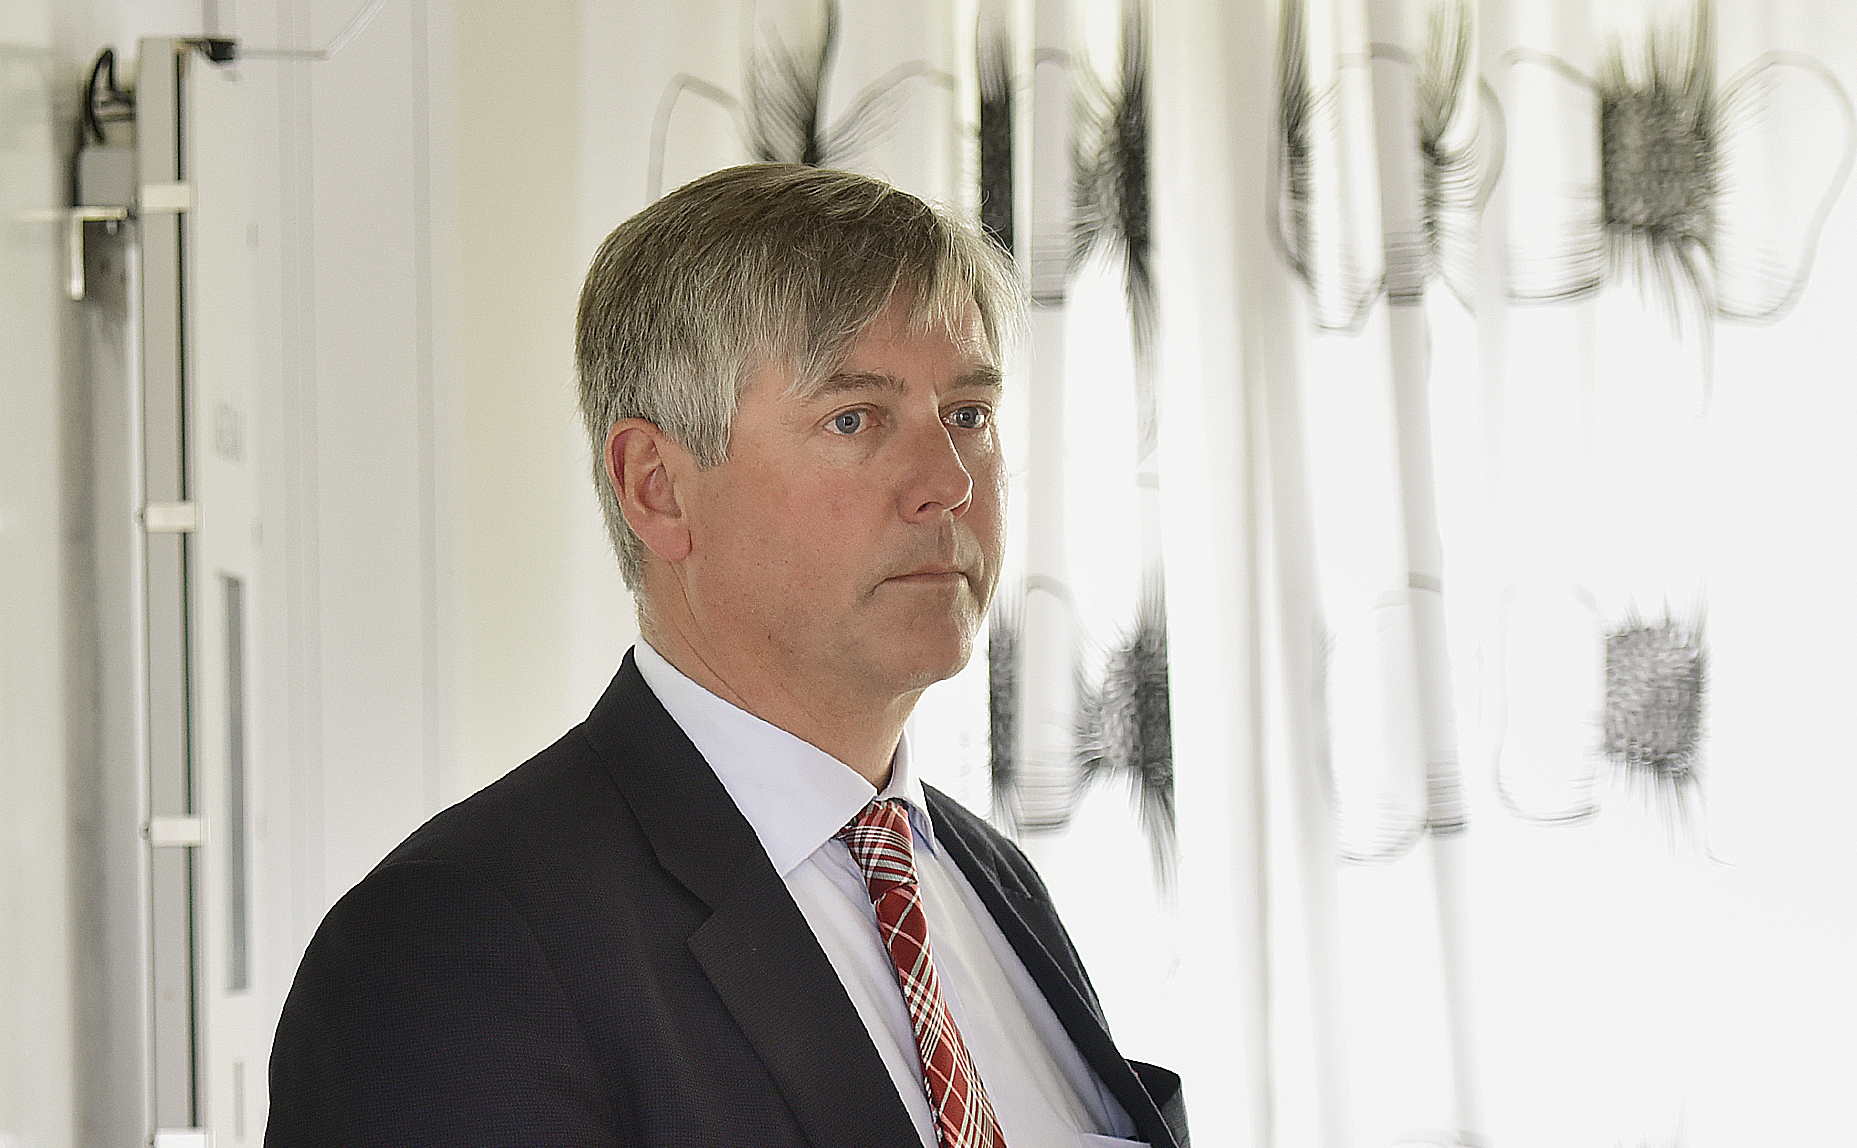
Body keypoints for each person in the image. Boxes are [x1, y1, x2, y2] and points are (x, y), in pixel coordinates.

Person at [265, 163, 1188, 1148]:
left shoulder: (994, 881)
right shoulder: (451, 948)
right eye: (854, 418)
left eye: (968, 414)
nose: (949, 481)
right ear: (656, 487)